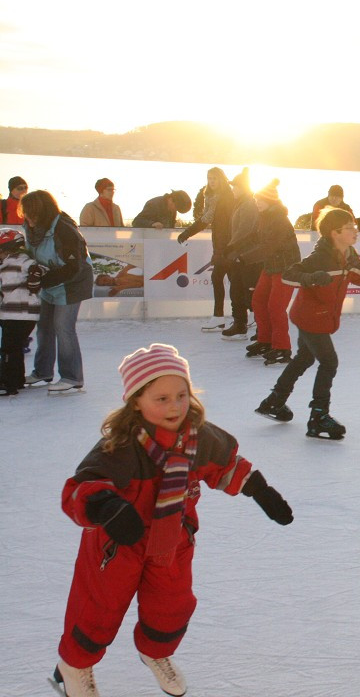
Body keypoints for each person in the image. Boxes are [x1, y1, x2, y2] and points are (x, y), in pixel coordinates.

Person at [51, 343, 292, 697]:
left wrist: (259, 489)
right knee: (97, 610)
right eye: (161, 399)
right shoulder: (120, 447)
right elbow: (79, 489)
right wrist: (106, 507)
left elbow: (225, 466)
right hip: (119, 544)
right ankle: (73, 666)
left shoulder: (200, 437)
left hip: (173, 542)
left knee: (172, 606)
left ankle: (155, 653)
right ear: (136, 401)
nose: (175, 406)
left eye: (181, 395)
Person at [256, 209, 360, 439]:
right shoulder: (320, 258)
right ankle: (318, 417)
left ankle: (274, 401)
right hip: (310, 318)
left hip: (319, 317)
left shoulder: (348, 255)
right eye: (350, 227)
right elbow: (288, 274)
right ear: (335, 233)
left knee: (304, 358)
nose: (356, 230)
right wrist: (311, 278)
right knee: (329, 361)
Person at [20, 190, 93, 395]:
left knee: (63, 327)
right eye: (25, 212)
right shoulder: (31, 227)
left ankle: (72, 377)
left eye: (31, 212)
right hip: (50, 281)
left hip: (72, 282)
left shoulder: (64, 229)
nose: (27, 216)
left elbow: (73, 266)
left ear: (42, 211)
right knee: (44, 326)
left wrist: (42, 280)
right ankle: (42, 372)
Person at [242, 180, 299, 365]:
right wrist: (232, 250)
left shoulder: (279, 220)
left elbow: (268, 247)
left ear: (270, 201)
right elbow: (253, 238)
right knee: (258, 300)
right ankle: (265, 341)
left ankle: (283, 348)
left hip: (286, 267)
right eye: (256, 199)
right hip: (271, 266)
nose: (257, 202)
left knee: (275, 307)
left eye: (260, 200)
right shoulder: (264, 216)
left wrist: (243, 258)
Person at [177, 168, 238, 332]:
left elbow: (227, 223)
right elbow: (205, 220)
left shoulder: (226, 197)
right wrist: (186, 234)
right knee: (234, 280)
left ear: (222, 180)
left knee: (218, 277)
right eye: (209, 178)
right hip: (221, 244)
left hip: (227, 245)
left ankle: (222, 318)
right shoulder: (211, 197)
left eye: (215, 178)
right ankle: (245, 317)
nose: (212, 181)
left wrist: (225, 247)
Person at [0, 227, 42, 395]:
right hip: (10, 313)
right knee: (14, 347)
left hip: (21, 314)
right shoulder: (4, 266)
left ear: (9, 249)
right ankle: (17, 380)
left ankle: (7, 383)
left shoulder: (22, 261)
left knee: (9, 348)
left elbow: (37, 268)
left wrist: (34, 276)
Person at [221, 170, 260, 340]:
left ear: (242, 188)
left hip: (247, 256)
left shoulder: (248, 204)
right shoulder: (241, 203)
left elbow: (245, 230)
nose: (232, 190)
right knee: (236, 289)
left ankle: (258, 328)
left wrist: (231, 247)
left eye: (235, 186)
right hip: (239, 254)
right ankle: (239, 324)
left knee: (247, 292)